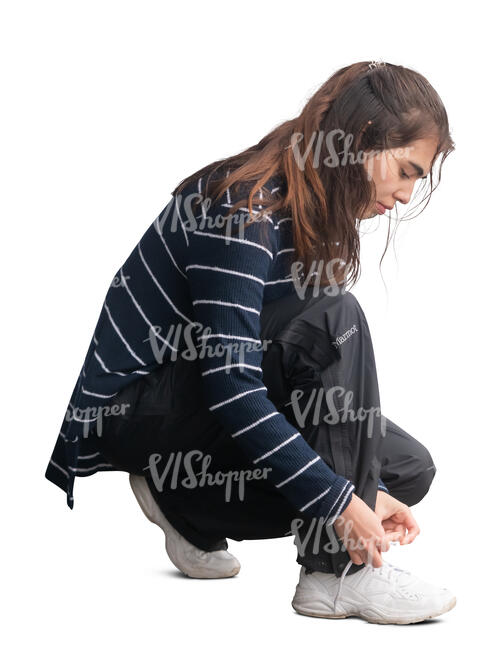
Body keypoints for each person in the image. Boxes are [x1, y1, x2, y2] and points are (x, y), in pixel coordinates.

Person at [45, 60, 457, 624]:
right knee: (335, 321)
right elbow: (233, 385)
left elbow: (289, 379)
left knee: (407, 469)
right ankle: (336, 575)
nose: (407, 194)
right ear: (361, 141)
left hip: (204, 411)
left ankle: (188, 507)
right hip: (140, 405)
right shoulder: (247, 207)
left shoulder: (313, 212)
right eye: (406, 171)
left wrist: (363, 487)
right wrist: (340, 500)